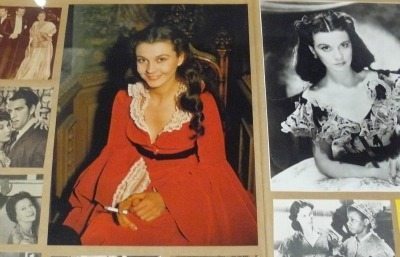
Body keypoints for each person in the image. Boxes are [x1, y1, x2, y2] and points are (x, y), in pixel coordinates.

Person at [63, 24, 257, 245]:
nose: (150, 70)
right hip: (132, 174)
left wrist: (166, 198)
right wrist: (121, 198)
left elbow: (213, 166)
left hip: (190, 186)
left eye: (161, 59)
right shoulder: (125, 98)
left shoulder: (202, 102)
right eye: (142, 60)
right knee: (102, 230)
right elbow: (115, 151)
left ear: (181, 58)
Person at [281, 11, 400, 184]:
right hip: (355, 175)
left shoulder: (386, 82)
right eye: (326, 48)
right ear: (313, 50)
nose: (338, 56)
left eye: (344, 45)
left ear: (352, 44)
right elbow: (324, 162)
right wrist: (374, 173)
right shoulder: (314, 100)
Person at [6, 88, 48, 167]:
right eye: (10, 111)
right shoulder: (12, 135)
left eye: (18, 109)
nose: (12, 116)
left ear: (32, 109)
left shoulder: (42, 139)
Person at [15, 10, 56, 80]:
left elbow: (50, 36)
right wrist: (32, 42)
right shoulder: (35, 24)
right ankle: (29, 76)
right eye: (39, 16)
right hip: (35, 45)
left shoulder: (50, 24)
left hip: (45, 46)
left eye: (42, 16)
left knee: (41, 61)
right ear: (37, 17)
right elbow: (31, 35)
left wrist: (43, 35)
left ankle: (38, 76)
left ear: (45, 16)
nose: (41, 17)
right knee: (31, 60)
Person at [0, 7, 29, 79]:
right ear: (16, 12)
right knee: (5, 57)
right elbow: (2, 30)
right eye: (20, 12)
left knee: (13, 59)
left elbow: (25, 32)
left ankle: (7, 75)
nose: (21, 13)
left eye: (23, 12)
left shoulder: (25, 21)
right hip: (8, 40)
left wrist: (19, 35)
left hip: (18, 43)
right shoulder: (9, 19)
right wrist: (10, 35)